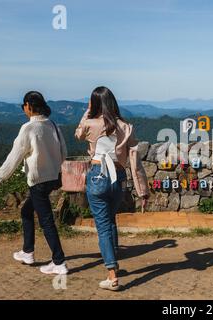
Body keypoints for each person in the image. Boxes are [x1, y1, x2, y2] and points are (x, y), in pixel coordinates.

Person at [75, 86, 149, 291]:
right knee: (110, 220)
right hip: (119, 177)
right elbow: (134, 158)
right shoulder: (125, 126)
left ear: (95, 104)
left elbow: (78, 134)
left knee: (103, 226)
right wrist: (143, 190)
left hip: (98, 175)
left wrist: (87, 111)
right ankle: (114, 262)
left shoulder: (90, 123)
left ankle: (112, 275)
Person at [0, 91, 68, 275]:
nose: (24, 109)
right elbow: (63, 152)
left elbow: (14, 156)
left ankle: (59, 261)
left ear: (29, 106)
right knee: (26, 211)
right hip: (52, 179)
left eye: (24, 106)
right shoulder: (53, 125)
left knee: (46, 221)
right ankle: (27, 252)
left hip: (38, 181)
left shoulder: (28, 129)